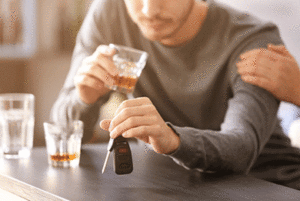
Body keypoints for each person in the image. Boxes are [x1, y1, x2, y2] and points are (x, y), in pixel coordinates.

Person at [50, 0, 300, 189]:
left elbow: (241, 149)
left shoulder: (252, 40)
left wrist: (172, 139)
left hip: (266, 185)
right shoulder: (110, 13)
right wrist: (84, 98)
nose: (149, 10)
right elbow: (60, 130)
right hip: (172, 183)